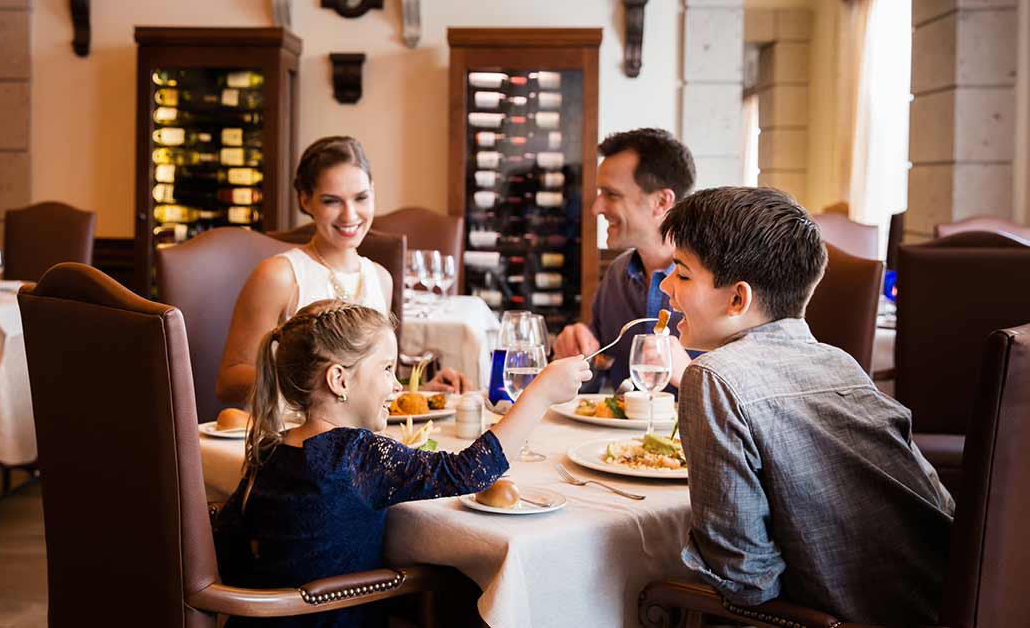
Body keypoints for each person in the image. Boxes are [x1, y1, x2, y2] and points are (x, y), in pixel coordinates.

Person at [659, 186, 953, 624]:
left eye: (682, 275)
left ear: (738, 299)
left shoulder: (713, 376)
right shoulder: (841, 362)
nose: (666, 286)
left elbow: (747, 582)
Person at [213, 299, 591, 627]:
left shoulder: (270, 448)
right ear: (339, 380)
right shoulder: (355, 455)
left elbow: (227, 541)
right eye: (386, 369)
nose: (397, 385)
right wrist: (539, 395)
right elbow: (471, 470)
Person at [217, 136, 470, 405]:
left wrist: (423, 391)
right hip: (294, 429)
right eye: (332, 201)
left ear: (373, 192)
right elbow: (228, 383)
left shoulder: (381, 279)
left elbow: (374, 386)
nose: (349, 215)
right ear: (305, 200)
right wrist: (310, 382)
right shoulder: (279, 276)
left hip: (362, 431)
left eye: (361, 198)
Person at [551, 128, 697, 393]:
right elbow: (596, 383)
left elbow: (754, 403)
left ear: (661, 201)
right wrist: (578, 357)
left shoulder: (722, 284)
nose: (596, 208)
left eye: (612, 194)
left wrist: (688, 376)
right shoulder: (617, 275)